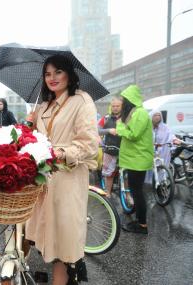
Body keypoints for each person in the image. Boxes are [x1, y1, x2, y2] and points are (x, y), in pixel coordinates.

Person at [26, 55, 98, 285]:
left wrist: (59, 153)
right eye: (47, 74)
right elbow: (34, 140)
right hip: (42, 181)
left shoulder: (82, 101)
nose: (52, 78)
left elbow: (88, 144)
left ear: (69, 73)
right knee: (39, 233)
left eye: (58, 72)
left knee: (64, 245)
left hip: (67, 180)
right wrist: (28, 126)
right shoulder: (43, 105)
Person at [112, 85, 153, 235]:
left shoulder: (140, 113)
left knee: (137, 192)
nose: (122, 103)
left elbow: (134, 134)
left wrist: (120, 127)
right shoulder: (134, 113)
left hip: (138, 159)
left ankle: (142, 225)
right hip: (134, 159)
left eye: (124, 100)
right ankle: (139, 219)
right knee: (136, 191)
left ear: (130, 100)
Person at [97, 97, 123, 197]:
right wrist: (108, 131)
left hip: (124, 150)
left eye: (118, 106)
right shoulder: (106, 118)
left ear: (122, 106)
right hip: (110, 149)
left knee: (125, 173)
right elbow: (97, 130)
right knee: (109, 174)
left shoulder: (126, 118)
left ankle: (127, 195)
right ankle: (108, 193)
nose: (115, 108)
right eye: (113, 106)